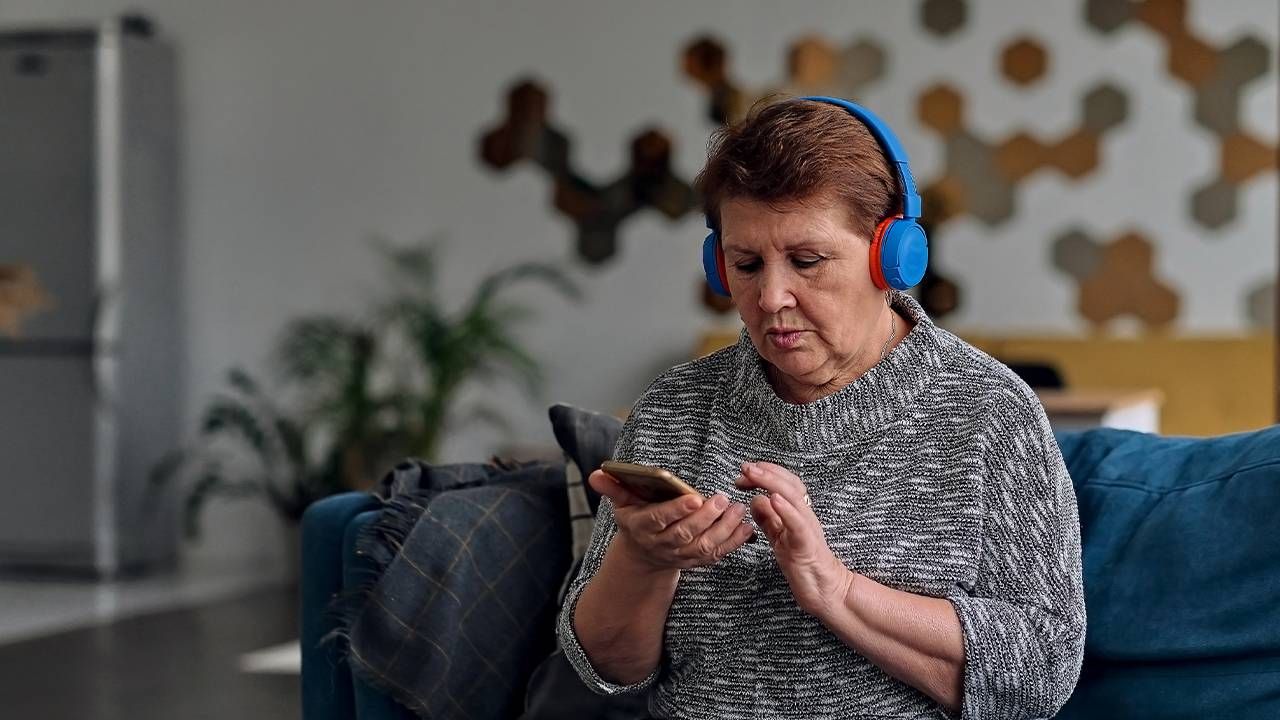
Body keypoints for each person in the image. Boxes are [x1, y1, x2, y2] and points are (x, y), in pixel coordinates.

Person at [556, 95, 1086, 720]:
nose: (772, 296)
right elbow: (604, 670)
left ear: (892, 256)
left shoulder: (989, 413)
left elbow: (1041, 676)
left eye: (807, 261)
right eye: (746, 264)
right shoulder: (677, 408)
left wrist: (836, 591)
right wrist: (642, 560)